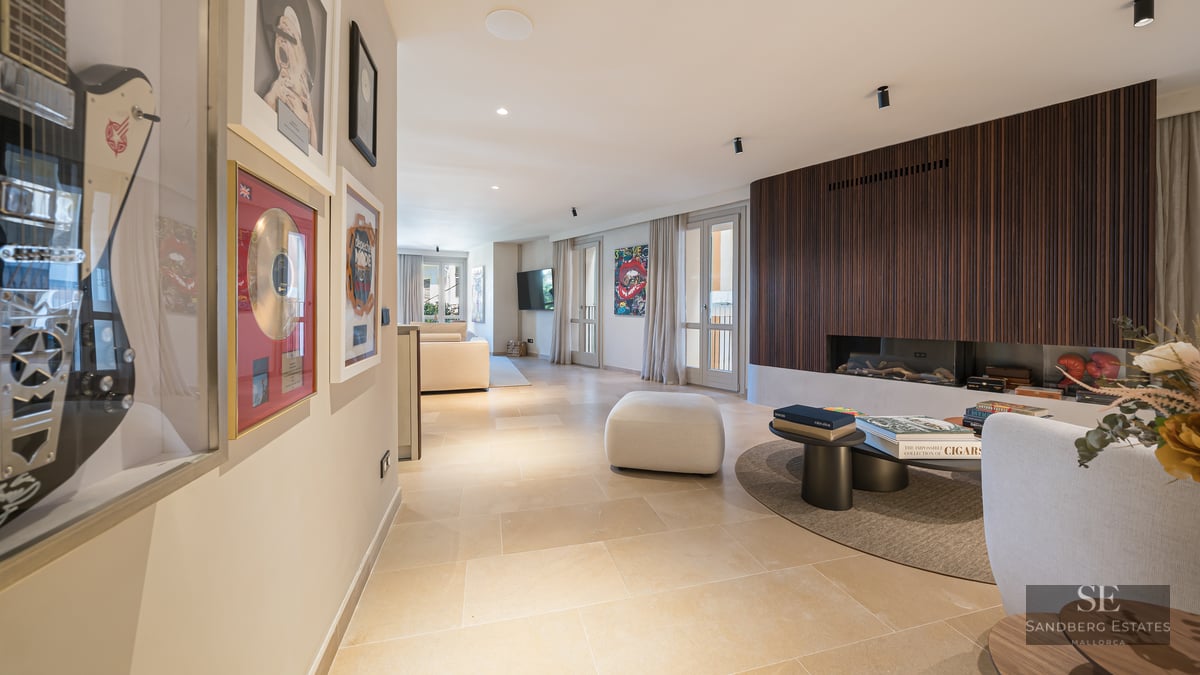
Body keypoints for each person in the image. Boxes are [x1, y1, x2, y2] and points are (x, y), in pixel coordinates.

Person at [262, 6, 318, 149]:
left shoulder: (304, 100)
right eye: (279, 34)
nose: (281, 40)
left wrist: (310, 113)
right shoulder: (278, 88)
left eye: (287, 36)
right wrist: (274, 93)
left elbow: (313, 150)